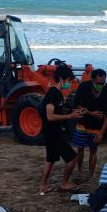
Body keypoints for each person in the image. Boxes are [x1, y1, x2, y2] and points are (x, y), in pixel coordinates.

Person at [40, 64, 84, 194]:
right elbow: (50, 116)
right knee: (72, 158)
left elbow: (60, 110)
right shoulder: (53, 93)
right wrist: (70, 115)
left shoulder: (58, 94)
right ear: (61, 79)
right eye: (69, 80)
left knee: (51, 159)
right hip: (52, 133)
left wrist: (73, 111)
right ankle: (64, 183)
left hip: (52, 132)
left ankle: (43, 185)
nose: (70, 83)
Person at [73, 69, 107, 180]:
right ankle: (80, 171)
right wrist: (92, 113)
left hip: (96, 126)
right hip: (82, 123)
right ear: (92, 79)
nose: (101, 85)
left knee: (93, 150)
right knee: (80, 148)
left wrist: (101, 132)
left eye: (103, 82)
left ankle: (90, 175)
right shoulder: (83, 86)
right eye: (98, 82)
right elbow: (76, 104)